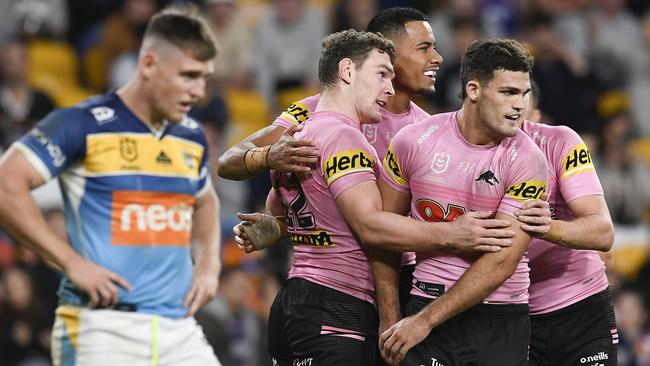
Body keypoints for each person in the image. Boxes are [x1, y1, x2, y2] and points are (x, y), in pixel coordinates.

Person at [235, 29, 517, 366]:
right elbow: (369, 226)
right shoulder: (342, 135)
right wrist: (454, 234)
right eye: (382, 74)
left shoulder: (298, 132)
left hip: (296, 298)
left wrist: (278, 226)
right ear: (348, 72)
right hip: (338, 304)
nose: (388, 87)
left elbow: (286, 208)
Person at [0, 8, 222, 366]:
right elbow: (5, 185)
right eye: (189, 76)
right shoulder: (81, 123)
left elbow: (206, 200)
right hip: (100, 329)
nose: (200, 91)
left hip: (180, 331)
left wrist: (210, 263)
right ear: (149, 65)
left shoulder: (191, 136)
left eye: (205, 77)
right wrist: (70, 262)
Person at [379, 38, 549, 365]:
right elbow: (384, 233)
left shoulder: (530, 160)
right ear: (473, 90)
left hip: (498, 319)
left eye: (524, 94)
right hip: (424, 304)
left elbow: (501, 261)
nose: (520, 106)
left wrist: (424, 321)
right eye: (508, 93)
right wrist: (390, 316)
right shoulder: (413, 141)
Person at [517, 82, 617, 365]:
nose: (514, 105)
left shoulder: (560, 141)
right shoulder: (470, 154)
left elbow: (603, 232)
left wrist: (547, 228)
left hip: (582, 306)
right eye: (507, 92)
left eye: (521, 94)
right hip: (514, 314)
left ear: (534, 111)